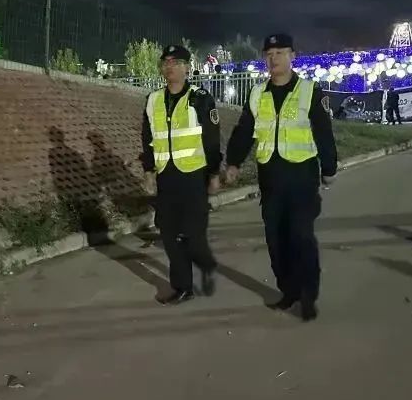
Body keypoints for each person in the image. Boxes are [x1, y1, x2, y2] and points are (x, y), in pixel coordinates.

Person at [224, 33, 337, 322]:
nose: (274, 59)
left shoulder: (309, 91)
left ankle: (308, 295)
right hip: (271, 180)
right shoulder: (257, 94)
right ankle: (289, 291)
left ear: (292, 56)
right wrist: (233, 162)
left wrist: (329, 168)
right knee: (276, 240)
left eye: (280, 52)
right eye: (269, 54)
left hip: (302, 178)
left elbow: (323, 131)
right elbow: (244, 131)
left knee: (301, 236)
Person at [140, 44, 222, 304]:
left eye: (176, 62)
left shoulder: (200, 98)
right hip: (167, 176)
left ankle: (205, 263)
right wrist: (148, 170)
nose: (170, 67)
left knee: (193, 237)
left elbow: (212, 140)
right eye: (166, 62)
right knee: (168, 233)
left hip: (194, 176)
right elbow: (148, 138)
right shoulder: (153, 100)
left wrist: (214, 173)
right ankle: (183, 287)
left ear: (187, 68)